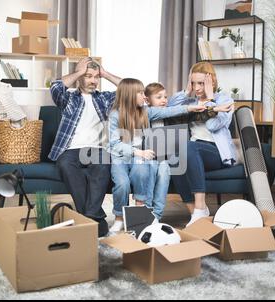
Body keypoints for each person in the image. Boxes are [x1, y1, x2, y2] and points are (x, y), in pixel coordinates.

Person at [108, 78, 206, 233]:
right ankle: (119, 218)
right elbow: (114, 144)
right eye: (140, 93)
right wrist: (138, 152)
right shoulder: (115, 115)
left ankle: (143, 215)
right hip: (121, 157)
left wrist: (191, 108)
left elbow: (168, 111)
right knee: (122, 184)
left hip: (140, 158)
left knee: (144, 170)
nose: (144, 96)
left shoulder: (146, 112)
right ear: (129, 95)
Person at [49, 57, 122, 237]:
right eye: (88, 76)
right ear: (80, 77)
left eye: (96, 77)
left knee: (102, 165)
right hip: (70, 149)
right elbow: (55, 87)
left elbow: (130, 89)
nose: (93, 81)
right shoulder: (69, 99)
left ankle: (85, 217)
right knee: (65, 165)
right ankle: (94, 217)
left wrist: (104, 73)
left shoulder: (104, 99)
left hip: (96, 149)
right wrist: (79, 71)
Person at [170, 61, 236, 227]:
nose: (197, 88)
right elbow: (170, 108)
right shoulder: (191, 102)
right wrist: (186, 91)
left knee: (189, 147)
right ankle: (195, 213)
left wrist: (211, 100)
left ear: (211, 82)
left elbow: (213, 125)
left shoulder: (224, 100)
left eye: (201, 83)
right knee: (174, 158)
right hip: (193, 151)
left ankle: (200, 208)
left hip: (216, 152)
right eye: (193, 83)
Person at [143, 82, 187, 221]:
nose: (164, 100)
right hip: (146, 157)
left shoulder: (171, 117)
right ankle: (146, 210)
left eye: (165, 97)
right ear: (147, 100)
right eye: (159, 97)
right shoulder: (143, 115)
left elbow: (177, 140)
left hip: (165, 158)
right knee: (150, 168)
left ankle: (157, 214)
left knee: (163, 170)